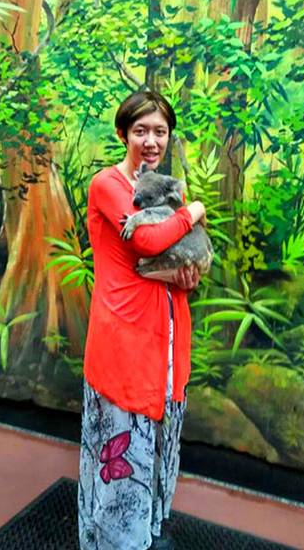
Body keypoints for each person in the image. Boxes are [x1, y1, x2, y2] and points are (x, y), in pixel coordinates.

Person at [78, 90, 206, 550]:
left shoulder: (169, 188)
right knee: (119, 447)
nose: (151, 141)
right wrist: (193, 211)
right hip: (124, 334)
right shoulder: (107, 184)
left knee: (157, 441)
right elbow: (148, 241)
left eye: (160, 132)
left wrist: (187, 278)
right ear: (123, 134)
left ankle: (147, 532)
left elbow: (176, 260)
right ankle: (115, 541)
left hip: (167, 330)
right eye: (141, 131)